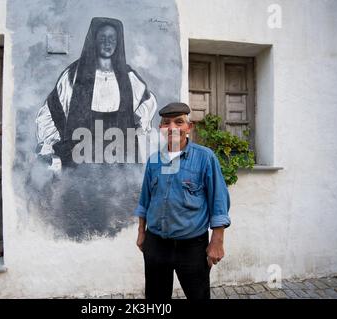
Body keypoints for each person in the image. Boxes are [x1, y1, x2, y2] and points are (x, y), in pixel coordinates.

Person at [134, 102, 231, 300]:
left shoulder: (205, 158)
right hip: (156, 244)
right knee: (155, 298)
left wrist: (217, 242)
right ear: (161, 129)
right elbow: (145, 200)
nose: (172, 128)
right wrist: (141, 233)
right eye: (166, 123)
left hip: (192, 247)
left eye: (179, 122)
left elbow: (218, 201)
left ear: (189, 127)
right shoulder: (154, 160)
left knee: (197, 296)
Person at [35, 17, 157, 168]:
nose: (107, 43)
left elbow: (148, 102)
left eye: (112, 38)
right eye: (103, 38)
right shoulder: (73, 75)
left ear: (118, 42)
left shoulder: (129, 77)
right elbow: (52, 110)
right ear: (94, 41)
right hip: (79, 161)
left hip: (120, 162)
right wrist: (49, 146)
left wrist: (135, 121)